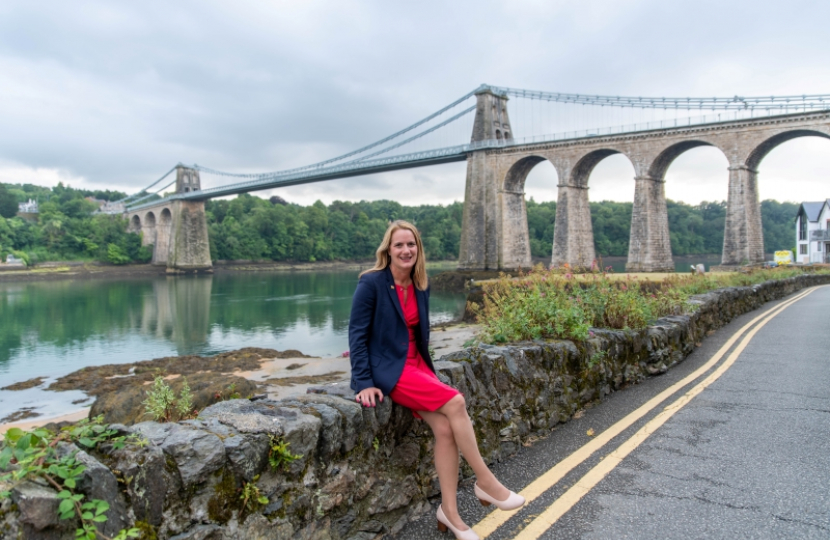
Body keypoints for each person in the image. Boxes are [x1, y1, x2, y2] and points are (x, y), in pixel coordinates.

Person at [349, 220, 524, 540]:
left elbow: (418, 336)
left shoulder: (421, 285)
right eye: (399, 245)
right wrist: (363, 382)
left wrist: (427, 372)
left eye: (411, 244)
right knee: (456, 401)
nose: (406, 250)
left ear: (419, 249)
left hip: (417, 367)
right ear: (388, 250)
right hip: (392, 370)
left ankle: (450, 514)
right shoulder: (371, 283)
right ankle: (486, 482)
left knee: (445, 429)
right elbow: (357, 335)